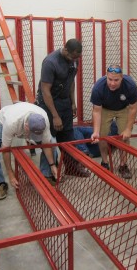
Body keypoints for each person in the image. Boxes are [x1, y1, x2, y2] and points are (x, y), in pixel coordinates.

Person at [36, 38, 90, 178]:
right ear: (65, 49)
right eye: (72, 56)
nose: (74, 60)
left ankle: (71, 167)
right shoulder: (50, 62)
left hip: (64, 101)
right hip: (49, 103)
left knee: (68, 137)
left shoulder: (74, 60)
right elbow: (45, 90)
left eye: (77, 57)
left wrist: (72, 102)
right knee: (50, 138)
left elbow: (71, 81)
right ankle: (47, 173)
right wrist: (55, 115)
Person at [0, 102, 57, 200]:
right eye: (33, 134)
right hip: (2, 121)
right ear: (26, 126)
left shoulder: (43, 119)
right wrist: (10, 174)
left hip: (24, 122)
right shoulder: (11, 122)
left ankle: (47, 175)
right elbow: (6, 149)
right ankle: (1, 182)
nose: (35, 138)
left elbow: (47, 145)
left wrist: (52, 165)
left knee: (53, 144)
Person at [90, 65, 137, 179]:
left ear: (122, 78)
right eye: (110, 79)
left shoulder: (130, 85)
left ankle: (123, 165)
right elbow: (97, 111)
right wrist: (96, 132)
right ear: (106, 77)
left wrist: (128, 129)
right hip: (105, 109)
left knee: (125, 137)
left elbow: (133, 108)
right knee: (101, 136)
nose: (112, 83)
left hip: (123, 109)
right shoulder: (98, 87)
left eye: (116, 80)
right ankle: (104, 162)